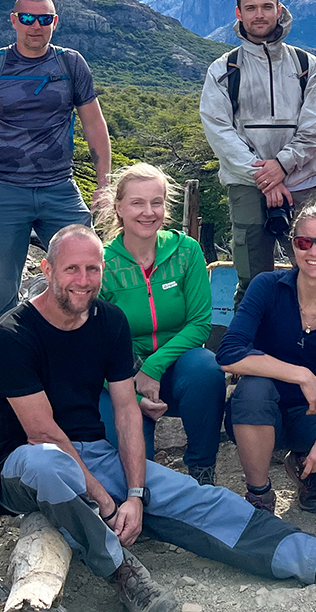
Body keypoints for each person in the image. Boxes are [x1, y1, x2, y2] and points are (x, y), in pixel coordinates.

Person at [0, 224, 316, 611]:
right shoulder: (14, 334)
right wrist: (108, 506)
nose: (83, 279)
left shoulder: (107, 321)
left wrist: (134, 494)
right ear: (47, 269)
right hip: (25, 463)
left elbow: (127, 411)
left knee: (199, 497)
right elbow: (43, 433)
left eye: (92, 269)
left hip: (94, 454)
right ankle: (124, 574)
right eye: (71, 269)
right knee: (50, 462)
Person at [0, 0, 112, 326]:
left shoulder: (70, 63)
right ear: (14, 20)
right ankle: (10, 366)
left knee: (86, 274)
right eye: (27, 18)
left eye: (44, 19)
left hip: (59, 187)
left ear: (55, 22)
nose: (35, 26)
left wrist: (103, 185)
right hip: (3, 189)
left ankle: (77, 358)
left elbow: (94, 125)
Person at [218, 205, 316, 514]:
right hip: (256, 413)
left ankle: (305, 462)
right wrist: (302, 375)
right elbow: (229, 353)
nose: (314, 251)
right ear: (293, 246)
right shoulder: (267, 287)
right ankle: (259, 494)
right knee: (254, 388)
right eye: (305, 242)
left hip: (309, 413)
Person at [200, 0, 316, 305]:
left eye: (266, 7)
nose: (259, 14)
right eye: (251, 8)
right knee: (252, 280)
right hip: (247, 184)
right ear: (239, 13)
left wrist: (282, 166)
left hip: (302, 181)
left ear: (279, 10)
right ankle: (248, 352)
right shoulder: (223, 69)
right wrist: (266, 177)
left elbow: (315, 127)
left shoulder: (305, 65)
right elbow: (219, 130)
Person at [95, 163, 224, 486]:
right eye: (137, 203)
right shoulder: (102, 263)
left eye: (157, 202)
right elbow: (95, 346)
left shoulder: (186, 251)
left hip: (178, 366)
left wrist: (153, 367)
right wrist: (135, 396)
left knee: (207, 369)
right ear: (119, 208)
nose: (148, 212)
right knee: (133, 475)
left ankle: (202, 471)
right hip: (119, 375)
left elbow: (199, 323)